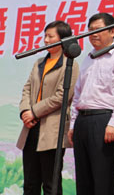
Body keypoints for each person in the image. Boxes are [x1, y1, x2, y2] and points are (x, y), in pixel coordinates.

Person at [68, 12, 114, 195]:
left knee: (103, 177)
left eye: (98, 30)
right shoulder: (88, 57)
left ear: (112, 31)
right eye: (90, 30)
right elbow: (78, 94)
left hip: (103, 120)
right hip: (82, 121)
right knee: (83, 178)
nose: (93, 34)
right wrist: (73, 124)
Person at [17, 20, 80, 195]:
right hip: (31, 127)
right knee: (30, 182)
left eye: (50, 36)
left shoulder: (70, 64)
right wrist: (25, 111)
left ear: (63, 39)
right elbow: (27, 88)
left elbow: (62, 96)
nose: (46, 40)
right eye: (45, 36)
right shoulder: (39, 63)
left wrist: (34, 112)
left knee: (51, 183)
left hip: (52, 130)